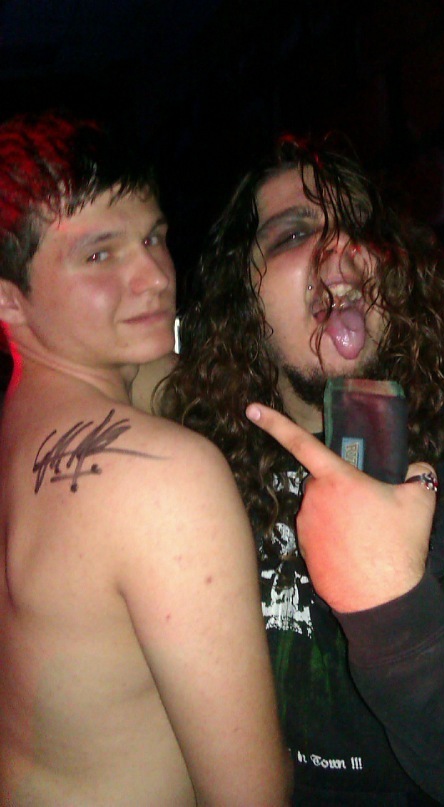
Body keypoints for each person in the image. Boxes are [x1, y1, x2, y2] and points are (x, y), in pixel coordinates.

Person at [153, 135, 444, 805]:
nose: (342, 248)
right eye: (293, 233)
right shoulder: (195, 464)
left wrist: (394, 606)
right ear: (243, 300)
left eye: (362, 228)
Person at [0, 111, 291, 806]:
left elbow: (174, 376)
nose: (156, 276)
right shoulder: (160, 477)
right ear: (9, 301)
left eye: (154, 237)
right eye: (99, 255)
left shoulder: (22, 419)